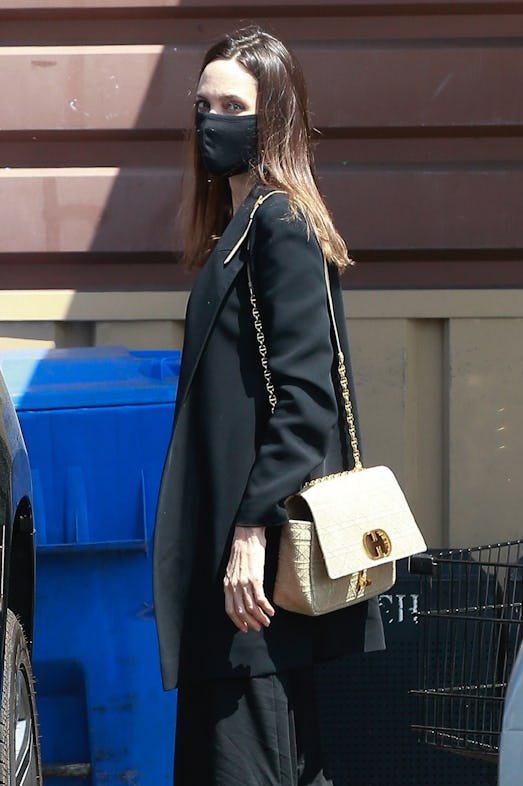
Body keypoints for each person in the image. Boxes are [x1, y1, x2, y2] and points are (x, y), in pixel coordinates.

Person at [153, 25, 385, 786]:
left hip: (252, 589)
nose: (213, 121)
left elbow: (307, 400)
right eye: (203, 104)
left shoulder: (279, 226)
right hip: (230, 587)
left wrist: (251, 531)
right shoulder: (238, 230)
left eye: (234, 105)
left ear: (273, 118)